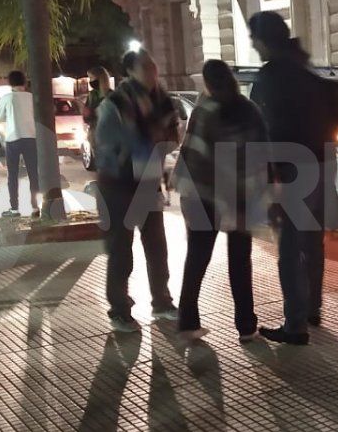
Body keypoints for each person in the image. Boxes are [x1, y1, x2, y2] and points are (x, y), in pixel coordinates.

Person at [248, 10, 338, 346]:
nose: (253, 45)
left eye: (254, 38)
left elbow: (262, 128)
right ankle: (313, 308)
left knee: (289, 248)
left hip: (291, 171)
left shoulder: (271, 76)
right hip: (321, 164)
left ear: (264, 39)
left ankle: (295, 324)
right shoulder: (305, 68)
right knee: (313, 243)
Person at [176, 59, 269, 343]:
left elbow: (191, 153)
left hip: (201, 196)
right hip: (239, 197)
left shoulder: (204, 110)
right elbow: (262, 154)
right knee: (240, 262)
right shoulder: (248, 110)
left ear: (207, 83)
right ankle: (246, 326)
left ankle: (188, 322)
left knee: (197, 258)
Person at [94, 49, 180, 333]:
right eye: (145, 66)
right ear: (130, 71)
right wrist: (136, 151)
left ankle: (162, 302)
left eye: (153, 65)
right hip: (118, 185)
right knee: (121, 250)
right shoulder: (115, 104)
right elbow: (105, 145)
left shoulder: (162, 101)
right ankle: (119, 309)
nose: (152, 71)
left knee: (157, 247)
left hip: (148, 182)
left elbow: (172, 135)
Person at [0, 70, 40, 218]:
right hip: (31, 137)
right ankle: (35, 207)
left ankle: (14, 208)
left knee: (12, 174)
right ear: (24, 82)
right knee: (33, 173)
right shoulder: (31, 97)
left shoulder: (7, 98)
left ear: (10, 83)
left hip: (13, 138)